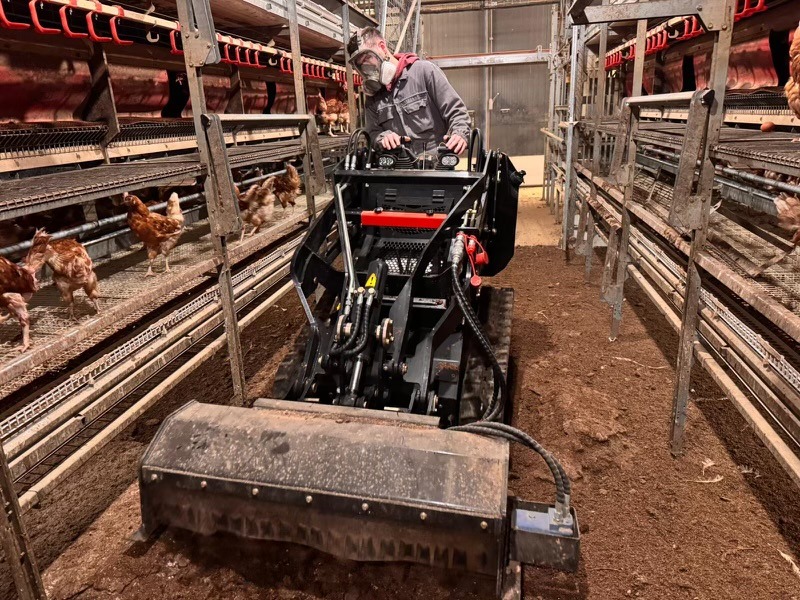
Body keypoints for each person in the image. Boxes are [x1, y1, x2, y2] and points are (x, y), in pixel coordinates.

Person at [347, 27, 470, 156]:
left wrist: (459, 133)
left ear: (382, 47)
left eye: (367, 58)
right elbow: (372, 132)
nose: (366, 68)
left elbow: (456, 111)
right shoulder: (374, 95)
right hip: (399, 167)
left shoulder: (424, 72)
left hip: (436, 165)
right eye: (360, 65)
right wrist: (382, 138)